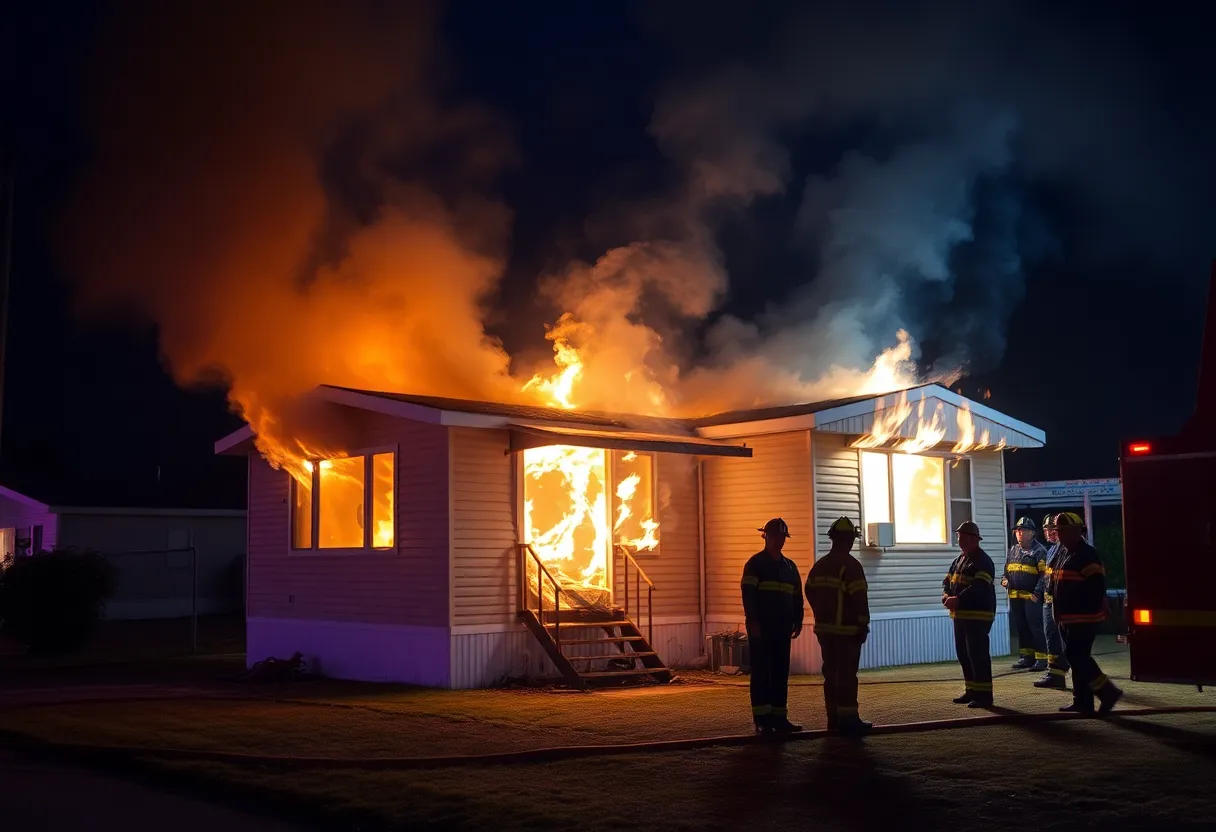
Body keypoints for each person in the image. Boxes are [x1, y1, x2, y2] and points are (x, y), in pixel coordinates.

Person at [805, 516, 872, 736]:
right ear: (849, 540)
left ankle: (833, 718)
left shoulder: (820, 565)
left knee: (831, 675)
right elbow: (859, 599)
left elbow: (809, 591)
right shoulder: (851, 566)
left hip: (825, 632)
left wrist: (822, 614)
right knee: (846, 676)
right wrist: (863, 624)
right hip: (847, 632)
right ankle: (849, 718)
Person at [1051, 511, 1123, 714]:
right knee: (1076, 657)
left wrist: (1083, 613)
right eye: (1058, 531)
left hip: (1083, 619)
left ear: (1076, 531)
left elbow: (1096, 588)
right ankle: (1082, 702)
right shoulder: (1063, 553)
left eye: (1063, 531)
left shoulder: (1087, 554)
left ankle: (1108, 692)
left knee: (1077, 656)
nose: (1059, 534)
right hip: (1067, 618)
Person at [741, 517, 805, 734]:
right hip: (762, 629)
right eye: (775, 536)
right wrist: (753, 621)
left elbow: (797, 596)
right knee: (761, 672)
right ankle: (762, 721)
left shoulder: (790, 567)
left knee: (779, 673)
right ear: (766, 536)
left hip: (782, 628)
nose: (779, 540)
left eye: (782, 536)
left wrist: (798, 620)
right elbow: (748, 595)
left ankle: (779, 718)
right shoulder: (755, 564)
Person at [943, 521, 997, 708]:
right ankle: (971, 690)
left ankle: (984, 696)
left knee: (977, 655)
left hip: (977, 616)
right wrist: (946, 595)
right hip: (960, 616)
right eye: (958, 537)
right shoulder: (959, 560)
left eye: (963, 537)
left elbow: (979, 588)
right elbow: (948, 581)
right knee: (964, 654)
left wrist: (958, 600)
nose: (959, 540)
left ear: (975, 539)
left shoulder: (982, 561)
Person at [1004, 516, 1049, 671]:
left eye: (1023, 530)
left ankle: (1042, 659)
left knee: (1035, 627)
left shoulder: (1039, 551)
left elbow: (1045, 575)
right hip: (1015, 596)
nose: (1020, 533)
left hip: (1031, 597)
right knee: (1021, 628)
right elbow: (1007, 570)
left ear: (1032, 533)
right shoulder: (1013, 550)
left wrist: (1037, 592)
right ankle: (1026, 657)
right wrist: (1004, 580)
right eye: (1018, 531)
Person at [1033, 513, 1070, 689]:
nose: (1050, 533)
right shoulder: (1052, 550)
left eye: (1053, 529)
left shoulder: (1066, 549)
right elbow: (1047, 577)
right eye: (1047, 529)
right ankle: (1055, 675)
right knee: (1051, 639)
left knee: (1064, 640)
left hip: (1061, 603)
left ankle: (1063, 672)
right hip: (1049, 603)